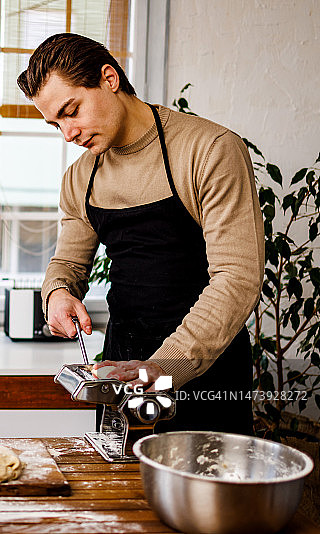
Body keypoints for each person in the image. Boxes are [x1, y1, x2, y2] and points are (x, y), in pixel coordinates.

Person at [17, 33, 264, 434]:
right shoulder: (81, 177)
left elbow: (238, 278)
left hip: (205, 374)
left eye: (72, 110)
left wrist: (163, 368)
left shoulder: (210, 150)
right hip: (121, 373)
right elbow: (66, 264)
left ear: (109, 78)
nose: (68, 133)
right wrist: (57, 293)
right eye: (56, 123)